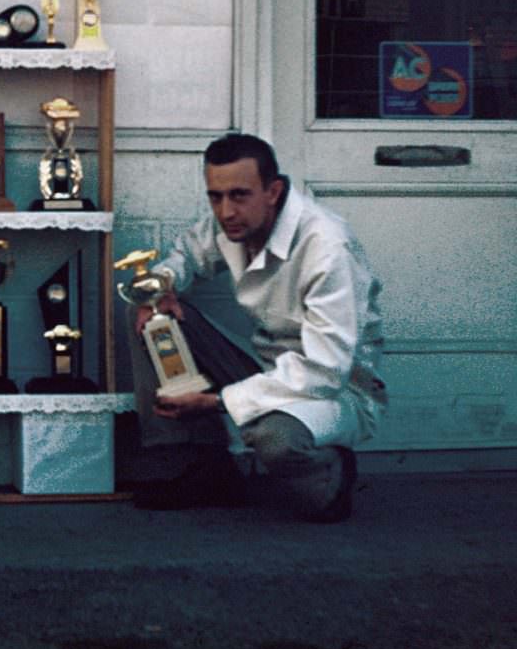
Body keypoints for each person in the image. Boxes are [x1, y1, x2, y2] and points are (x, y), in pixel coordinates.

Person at [126, 134, 387, 522]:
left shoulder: (328, 247)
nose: (226, 211)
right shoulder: (231, 225)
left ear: (273, 191)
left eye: (239, 195)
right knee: (152, 318)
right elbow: (187, 255)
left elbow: (326, 369)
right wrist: (161, 287)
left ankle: (330, 476)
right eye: (215, 196)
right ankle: (203, 467)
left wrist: (218, 401)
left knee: (275, 441)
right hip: (266, 370)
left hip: (332, 391)